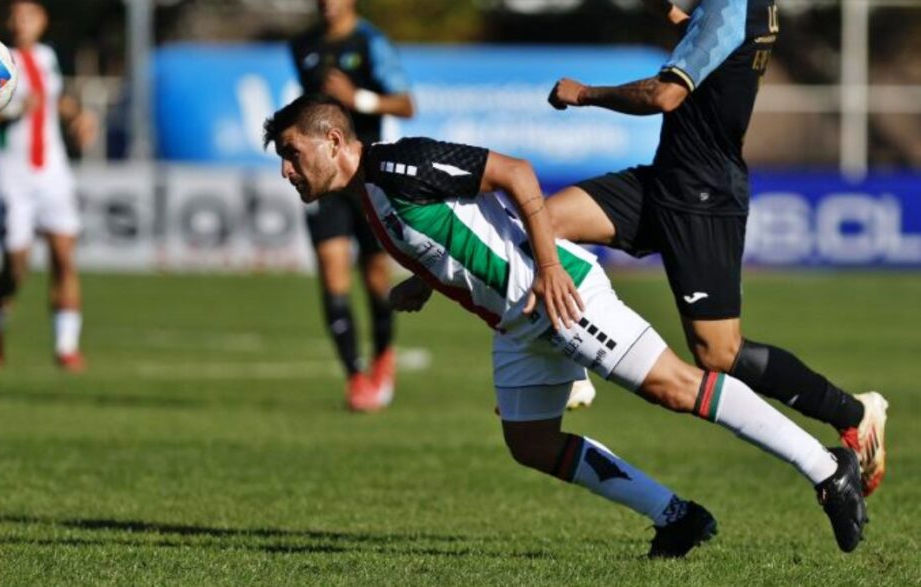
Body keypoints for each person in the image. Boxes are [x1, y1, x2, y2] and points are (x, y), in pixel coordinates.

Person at [262, 94, 869, 555]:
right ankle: (678, 517)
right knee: (530, 443)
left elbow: (516, 174)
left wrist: (550, 268)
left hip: (556, 295)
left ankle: (825, 469)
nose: (288, 170)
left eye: (292, 153)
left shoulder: (400, 166)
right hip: (519, 322)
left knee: (677, 387)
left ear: (334, 140)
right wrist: (426, 281)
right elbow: (463, 228)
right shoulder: (370, 194)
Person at [545, 0, 888, 495]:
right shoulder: (738, 7)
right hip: (663, 182)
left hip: (703, 200)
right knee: (546, 223)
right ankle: (571, 368)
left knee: (719, 353)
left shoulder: (729, 6)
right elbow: (707, 35)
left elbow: (664, 95)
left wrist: (585, 94)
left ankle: (853, 413)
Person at [288, 0, 415, 411]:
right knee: (332, 272)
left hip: (364, 177)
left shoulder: (371, 42)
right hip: (322, 182)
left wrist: (357, 99)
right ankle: (355, 377)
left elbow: (405, 104)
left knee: (376, 277)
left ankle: (383, 357)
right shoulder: (302, 45)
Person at [0, 0, 98, 372]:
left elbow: (55, 99)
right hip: (12, 174)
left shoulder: (46, 57)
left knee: (64, 255)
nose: (19, 22)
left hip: (52, 170)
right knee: (16, 266)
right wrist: (14, 110)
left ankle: (66, 347)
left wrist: (78, 114)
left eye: (27, 15)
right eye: (13, 15)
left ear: (42, 22)